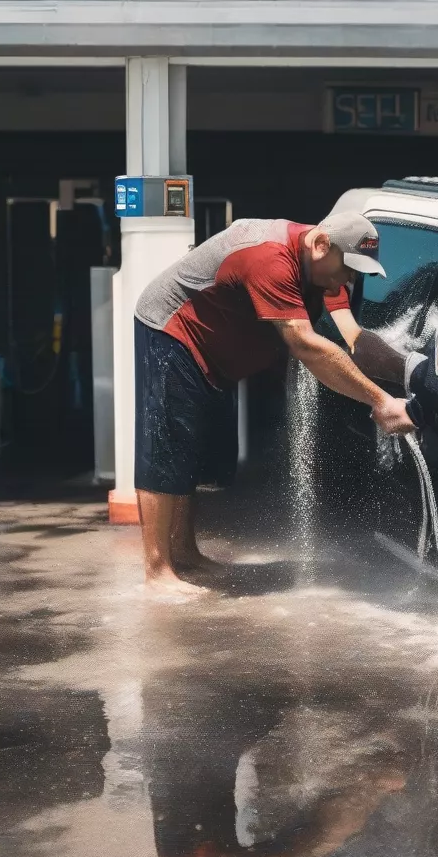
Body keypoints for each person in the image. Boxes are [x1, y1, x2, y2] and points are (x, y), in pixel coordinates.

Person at [133, 212, 416, 596]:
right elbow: (305, 345)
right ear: (321, 245)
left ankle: (183, 553)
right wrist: (380, 400)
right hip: (173, 330)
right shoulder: (270, 258)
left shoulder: (327, 273)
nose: (350, 279)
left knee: (192, 450)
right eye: (349, 267)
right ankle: (157, 570)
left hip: (216, 351)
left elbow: (353, 338)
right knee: (167, 446)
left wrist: (411, 370)